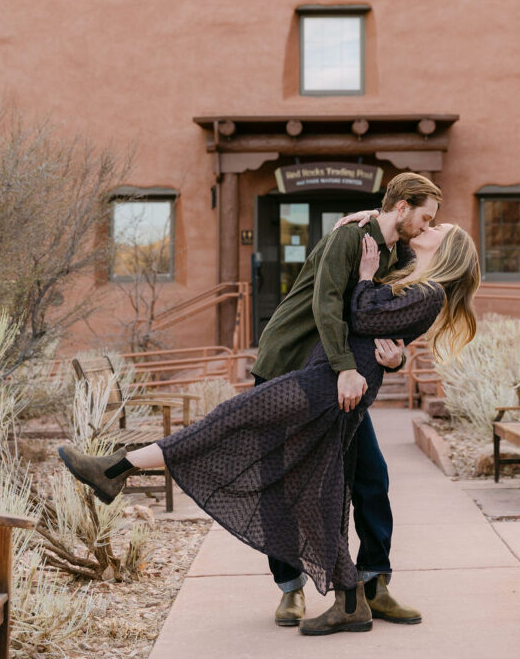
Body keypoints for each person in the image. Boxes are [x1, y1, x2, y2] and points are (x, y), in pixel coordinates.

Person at [58, 219, 480, 636]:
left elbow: (365, 315)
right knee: (315, 488)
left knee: (237, 428)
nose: (428, 226)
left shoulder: (423, 288)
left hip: (330, 386)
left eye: (436, 227)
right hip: (310, 372)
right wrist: (359, 222)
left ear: (446, 251)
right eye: (428, 218)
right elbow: (379, 264)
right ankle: (343, 598)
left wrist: (385, 327)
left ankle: (116, 469)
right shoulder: (392, 261)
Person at [251, 171, 441, 629]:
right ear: (401, 207)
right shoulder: (349, 238)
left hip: (337, 379)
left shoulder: (398, 253)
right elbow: (327, 304)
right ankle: (290, 589)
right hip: (292, 365)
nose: (429, 225)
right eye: (426, 216)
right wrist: (346, 368)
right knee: (282, 481)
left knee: (370, 478)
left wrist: (397, 355)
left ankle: (375, 583)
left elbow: (384, 311)